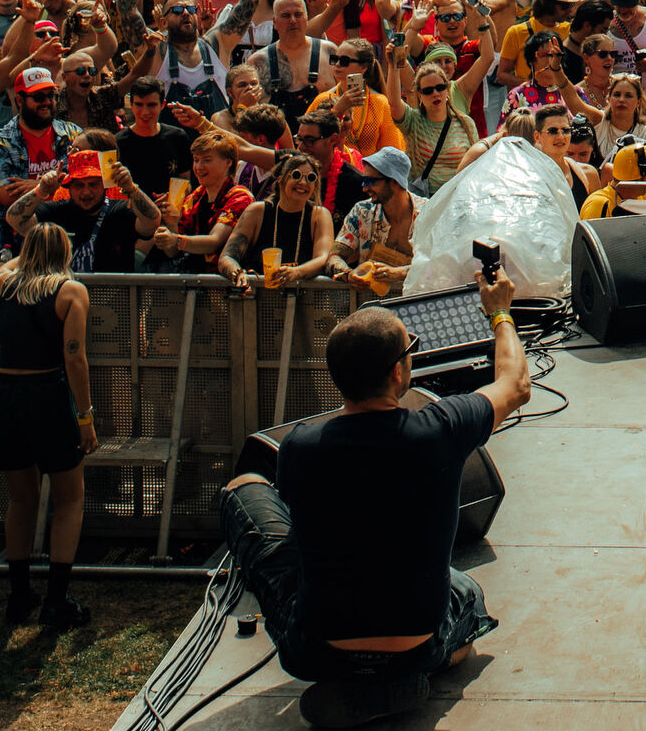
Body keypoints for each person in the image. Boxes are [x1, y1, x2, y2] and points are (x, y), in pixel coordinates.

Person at [218, 270, 530, 729]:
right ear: (398, 372)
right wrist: (500, 312)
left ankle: (362, 680)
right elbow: (515, 384)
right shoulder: (441, 429)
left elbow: (295, 539)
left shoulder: (300, 447)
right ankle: (409, 674)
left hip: (315, 652)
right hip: (418, 645)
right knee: (465, 593)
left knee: (242, 489)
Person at [0, 219, 97, 629]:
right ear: (66, 253)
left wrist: (29, 252)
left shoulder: (4, 285)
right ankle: (56, 600)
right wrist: (85, 416)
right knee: (69, 499)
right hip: (47, 393)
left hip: (5, 393)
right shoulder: (71, 291)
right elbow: (75, 358)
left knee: (21, 499)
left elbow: (7, 267)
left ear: (26, 252)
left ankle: (19, 595)